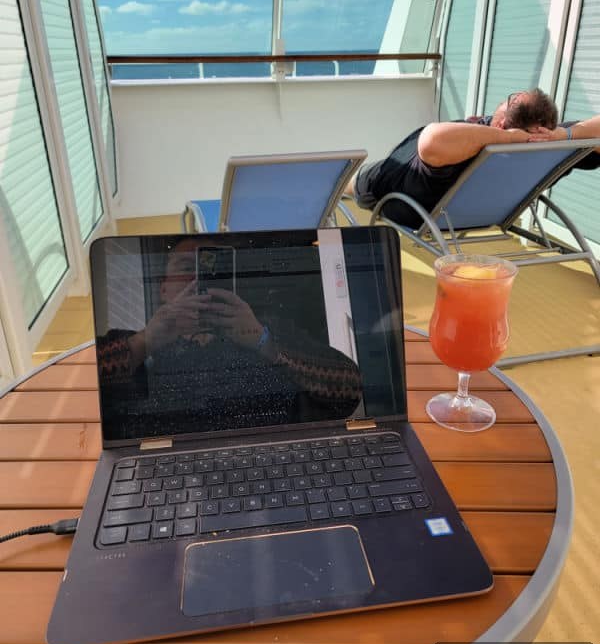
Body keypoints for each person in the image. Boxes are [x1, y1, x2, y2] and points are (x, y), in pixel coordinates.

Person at [97, 237, 362, 437]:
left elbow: (349, 390)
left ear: (230, 281)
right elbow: (97, 387)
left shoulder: (270, 330)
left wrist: (264, 342)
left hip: (273, 452)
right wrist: (146, 341)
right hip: (175, 464)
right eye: (186, 266)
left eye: (212, 269)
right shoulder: (142, 345)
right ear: (164, 289)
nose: (196, 277)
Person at [349, 88, 600, 228]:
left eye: (511, 98)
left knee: (348, 182)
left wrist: (510, 138)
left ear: (501, 123)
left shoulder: (466, 149)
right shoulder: (549, 146)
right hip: (477, 212)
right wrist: (566, 134)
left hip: (400, 197)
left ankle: (340, 187)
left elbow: (431, 139)